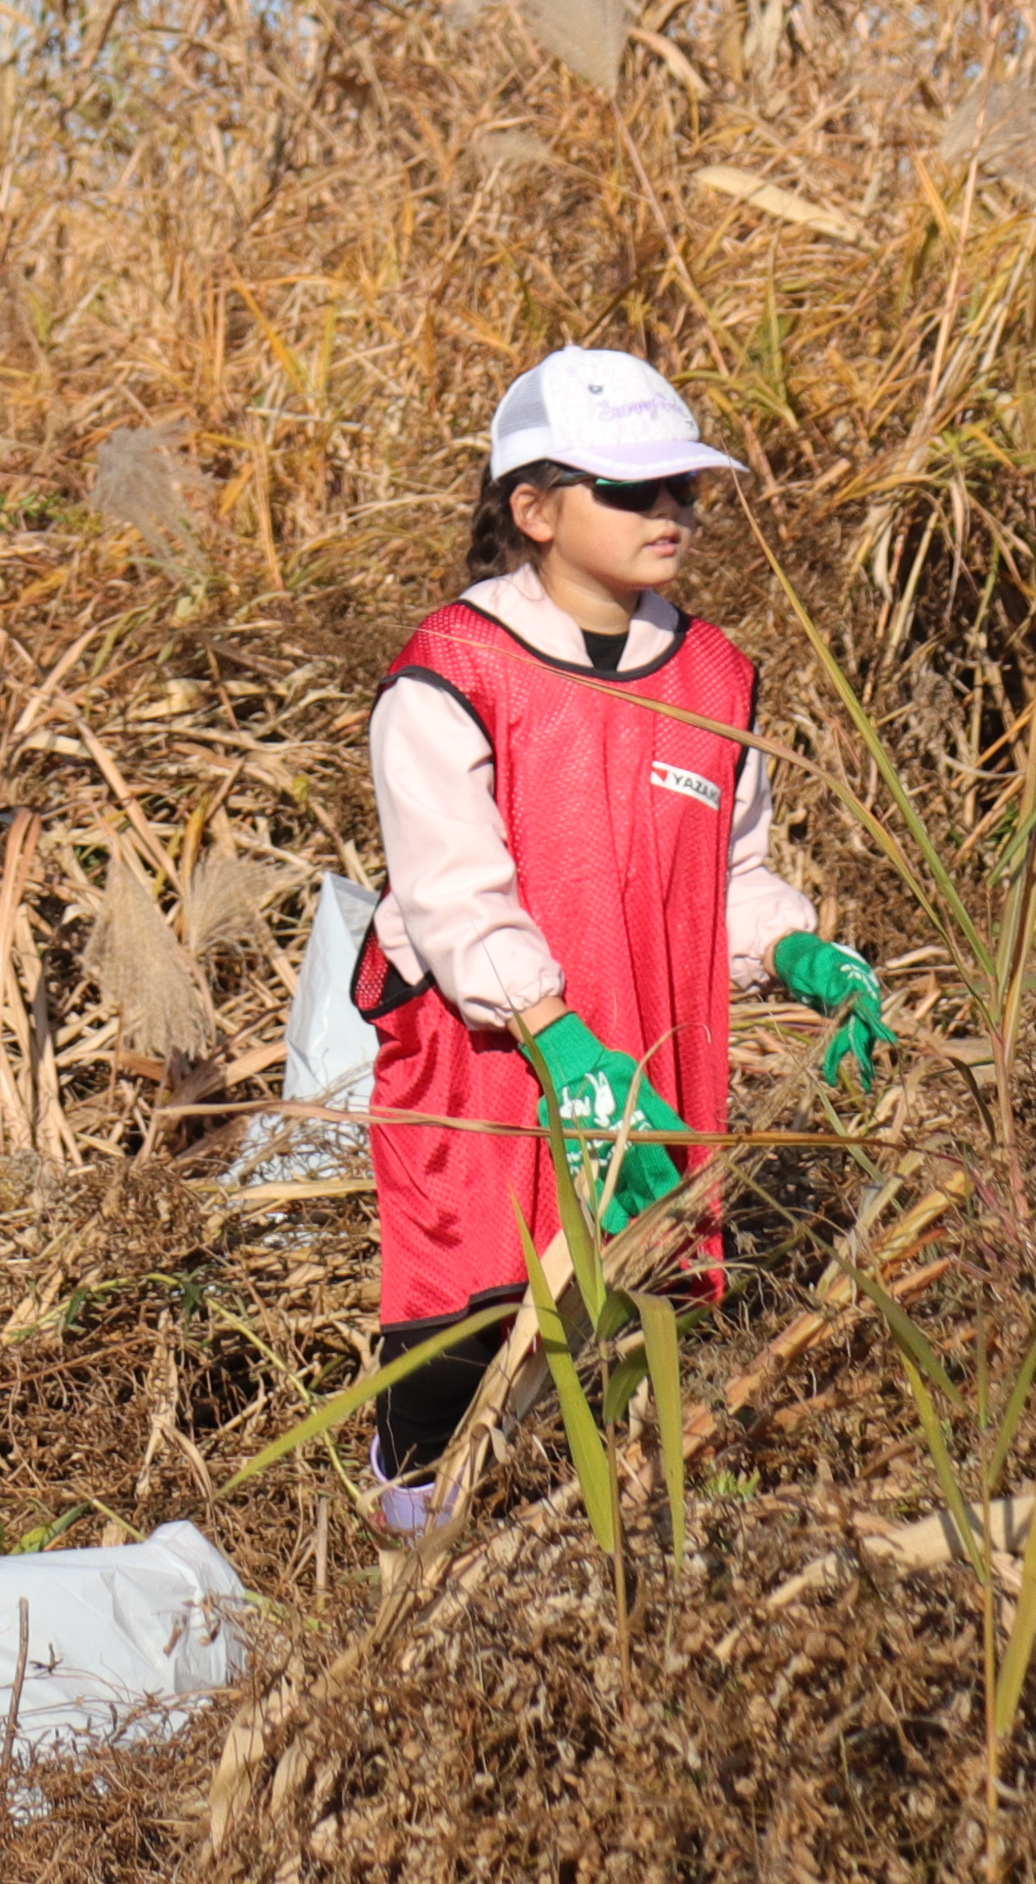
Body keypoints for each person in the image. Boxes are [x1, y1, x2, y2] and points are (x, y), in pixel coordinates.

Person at [353, 349, 886, 1530]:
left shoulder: (714, 676)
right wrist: (558, 1041)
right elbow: (454, 896)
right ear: (533, 511)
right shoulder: (452, 673)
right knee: (470, 1318)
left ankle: (592, 1560)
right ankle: (406, 1581)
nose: (671, 513)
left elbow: (723, 875)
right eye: (633, 490)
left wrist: (801, 954)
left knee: (628, 1331)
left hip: (648, 1062)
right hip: (491, 1068)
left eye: (683, 489)